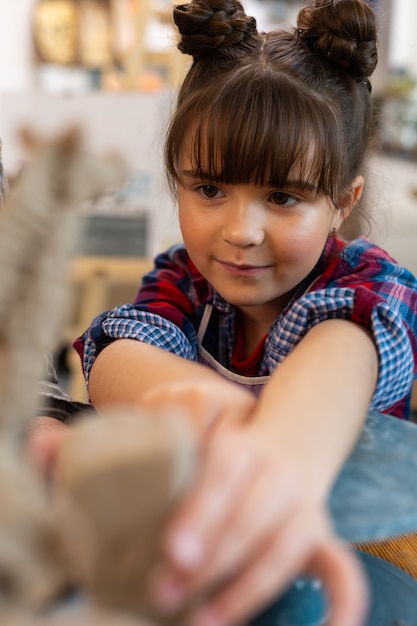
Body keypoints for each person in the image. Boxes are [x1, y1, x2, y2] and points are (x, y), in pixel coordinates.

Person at [74, 0, 417, 625]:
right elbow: (120, 353)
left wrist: (280, 454)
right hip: (213, 550)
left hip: (359, 559)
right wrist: (207, 406)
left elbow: (347, 350)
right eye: (209, 189)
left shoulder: (364, 284)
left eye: (282, 197)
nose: (240, 231)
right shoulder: (184, 283)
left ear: (343, 202)